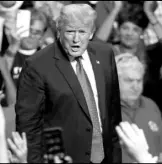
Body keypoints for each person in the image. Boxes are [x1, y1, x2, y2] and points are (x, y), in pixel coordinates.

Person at [15, 4, 122, 163]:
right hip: (63, 158)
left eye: (82, 32)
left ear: (92, 32)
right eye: (70, 31)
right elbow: (29, 129)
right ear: (59, 31)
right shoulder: (37, 65)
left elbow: (113, 115)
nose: (76, 39)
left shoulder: (105, 55)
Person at [115, 54, 162, 163]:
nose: (135, 86)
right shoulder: (100, 109)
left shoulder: (151, 105)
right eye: (129, 80)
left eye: (139, 80)